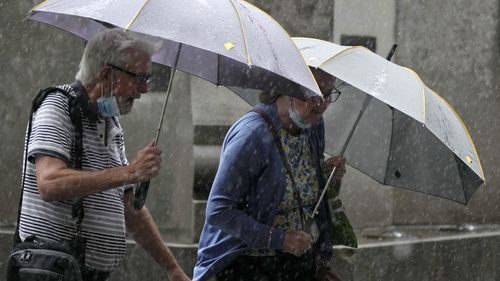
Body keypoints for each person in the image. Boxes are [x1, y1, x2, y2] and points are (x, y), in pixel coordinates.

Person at [16, 28, 190, 281]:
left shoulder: (110, 121)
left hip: (88, 274)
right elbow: (50, 183)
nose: (144, 88)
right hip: (50, 269)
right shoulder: (58, 106)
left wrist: (172, 268)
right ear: (106, 73)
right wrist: (129, 171)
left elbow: (128, 204)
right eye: (138, 77)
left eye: (148, 78)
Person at [193, 68, 347, 281]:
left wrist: (328, 175)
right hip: (247, 267)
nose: (322, 104)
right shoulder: (251, 136)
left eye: (329, 94)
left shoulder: (313, 125)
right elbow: (218, 211)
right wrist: (280, 239)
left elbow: (307, 195)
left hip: (296, 264)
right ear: (288, 87)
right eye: (315, 93)